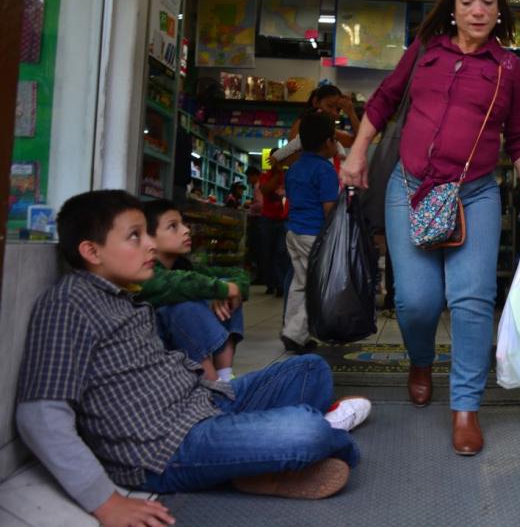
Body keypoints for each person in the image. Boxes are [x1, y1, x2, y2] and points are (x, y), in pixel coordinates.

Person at [16, 190, 371, 527]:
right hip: (164, 448)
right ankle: (293, 444)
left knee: (310, 369)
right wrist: (106, 503)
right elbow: (39, 417)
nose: (150, 244)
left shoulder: (124, 293)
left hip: (206, 401)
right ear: (91, 251)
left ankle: (255, 463)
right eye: (135, 236)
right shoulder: (67, 305)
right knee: (305, 431)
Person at [342, 0, 520, 457]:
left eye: (488, 1)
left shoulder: (509, 69)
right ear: (452, 9)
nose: (478, 9)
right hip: (408, 187)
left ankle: (466, 408)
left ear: (500, 10)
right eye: (468, 0)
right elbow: (386, 98)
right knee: (416, 302)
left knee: (472, 301)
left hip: (474, 193)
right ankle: (419, 358)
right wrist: (357, 150)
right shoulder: (426, 51)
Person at [135, 199, 249, 381]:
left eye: (183, 224)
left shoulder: (184, 266)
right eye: (173, 226)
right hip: (153, 353)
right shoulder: (142, 271)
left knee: (227, 289)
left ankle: (226, 377)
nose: (186, 230)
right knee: (184, 305)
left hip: (182, 348)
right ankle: (215, 388)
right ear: (149, 238)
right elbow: (177, 283)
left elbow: (237, 273)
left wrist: (229, 289)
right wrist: (222, 289)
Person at [282, 112, 340, 354]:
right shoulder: (325, 170)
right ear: (328, 142)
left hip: (293, 233)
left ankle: (292, 330)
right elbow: (329, 209)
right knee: (316, 285)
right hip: (312, 235)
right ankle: (295, 334)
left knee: (299, 282)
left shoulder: (294, 168)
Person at [272, 84, 359, 172]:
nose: (335, 113)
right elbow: (290, 158)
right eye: (329, 106)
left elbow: (358, 141)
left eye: (338, 109)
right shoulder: (305, 125)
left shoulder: (326, 129)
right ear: (316, 102)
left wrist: (351, 113)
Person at [259, 149, 289, 296]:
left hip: (284, 219)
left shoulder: (289, 175)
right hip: (267, 219)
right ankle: (270, 283)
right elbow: (265, 190)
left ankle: (280, 284)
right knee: (267, 252)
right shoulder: (266, 175)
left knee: (281, 252)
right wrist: (277, 173)